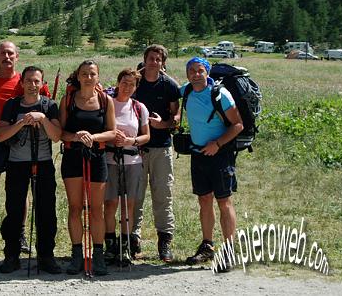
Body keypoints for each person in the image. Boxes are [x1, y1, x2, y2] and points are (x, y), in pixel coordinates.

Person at [0, 40, 49, 252]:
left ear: (17, 57)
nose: (6, 57)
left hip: (21, 140)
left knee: (21, 189)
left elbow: (44, 103)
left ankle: (20, 233)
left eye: (10, 54)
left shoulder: (25, 80)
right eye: (2, 54)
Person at [0, 66, 63, 274]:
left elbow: (57, 136)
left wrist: (42, 119)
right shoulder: (12, 105)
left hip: (42, 162)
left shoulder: (49, 105)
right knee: (14, 210)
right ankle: (11, 255)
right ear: (21, 83)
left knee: (46, 211)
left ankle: (46, 256)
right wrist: (21, 123)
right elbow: (0, 135)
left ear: (42, 84)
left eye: (37, 81)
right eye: (29, 81)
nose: (33, 85)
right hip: (16, 163)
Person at [180, 57, 243, 267]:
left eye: (200, 71)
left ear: (208, 73)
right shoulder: (187, 90)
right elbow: (169, 89)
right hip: (198, 154)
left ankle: (229, 250)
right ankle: (207, 246)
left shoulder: (220, 94)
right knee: (204, 200)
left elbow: (237, 125)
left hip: (220, 154)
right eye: (192, 71)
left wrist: (217, 144)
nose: (196, 74)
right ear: (187, 74)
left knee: (224, 201)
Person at [59, 60, 116, 276]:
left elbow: (112, 133)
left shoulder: (105, 100)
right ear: (78, 76)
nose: (88, 77)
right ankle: (77, 255)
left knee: (96, 209)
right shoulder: (68, 100)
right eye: (84, 74)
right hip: (73, 156)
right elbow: (60, 133)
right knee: (75, 207)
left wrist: (92, 137)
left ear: (98, 77)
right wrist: (76, 136)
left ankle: (98, 255)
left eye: (92, 74)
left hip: (97, 156)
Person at [131, 44, 180, 262]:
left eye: (158, 59)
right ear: (145, 59)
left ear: (163, 63)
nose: (153, 62)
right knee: (134, 195)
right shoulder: (135, 81)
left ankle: (165, 240)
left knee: (163, 194)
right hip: (136, 148)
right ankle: (133, 239)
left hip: (161, 147)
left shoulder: (169, 85)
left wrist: (164, 124)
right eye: (150, 58)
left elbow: (176, 118)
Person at [104, 68, 150, 265]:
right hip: (110, 159)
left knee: (128, 204)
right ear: (118, 82)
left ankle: (125, 245)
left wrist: (131, 140)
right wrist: (113, 139)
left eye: (132, 84)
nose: (127, 87)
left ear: (136, 87)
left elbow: (146, 135)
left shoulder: (139, 108)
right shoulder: (108, 104)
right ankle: (110, 245)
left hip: (133, 160)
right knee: (111, 203)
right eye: (124, 82)